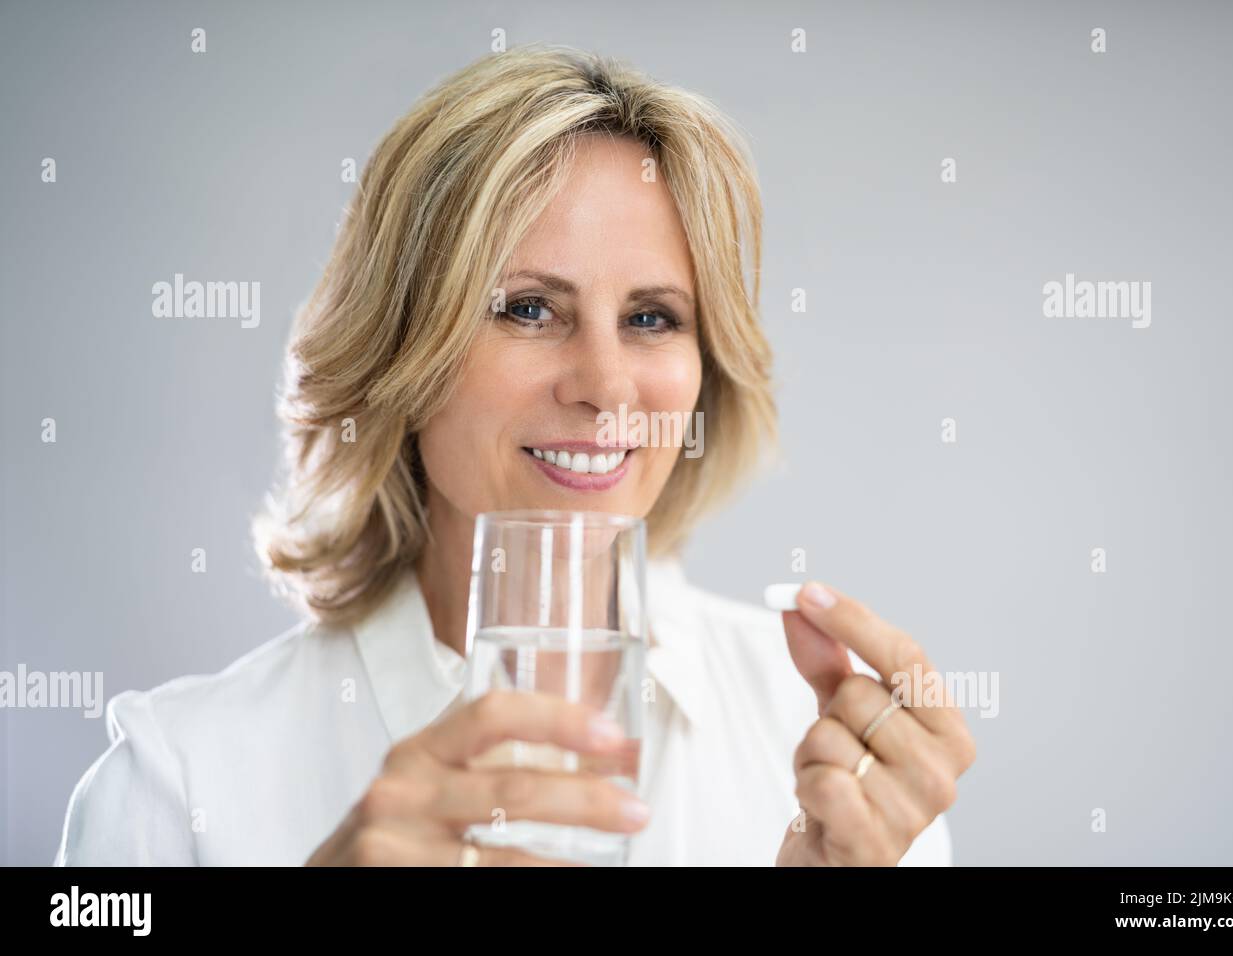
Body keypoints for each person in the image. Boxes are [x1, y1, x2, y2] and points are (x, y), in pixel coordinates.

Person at [55, 43, 975, 867]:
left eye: (652, 318)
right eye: (528, 309)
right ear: (401, 347)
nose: (606, 388)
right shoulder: (175, 784)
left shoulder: (839, 766)